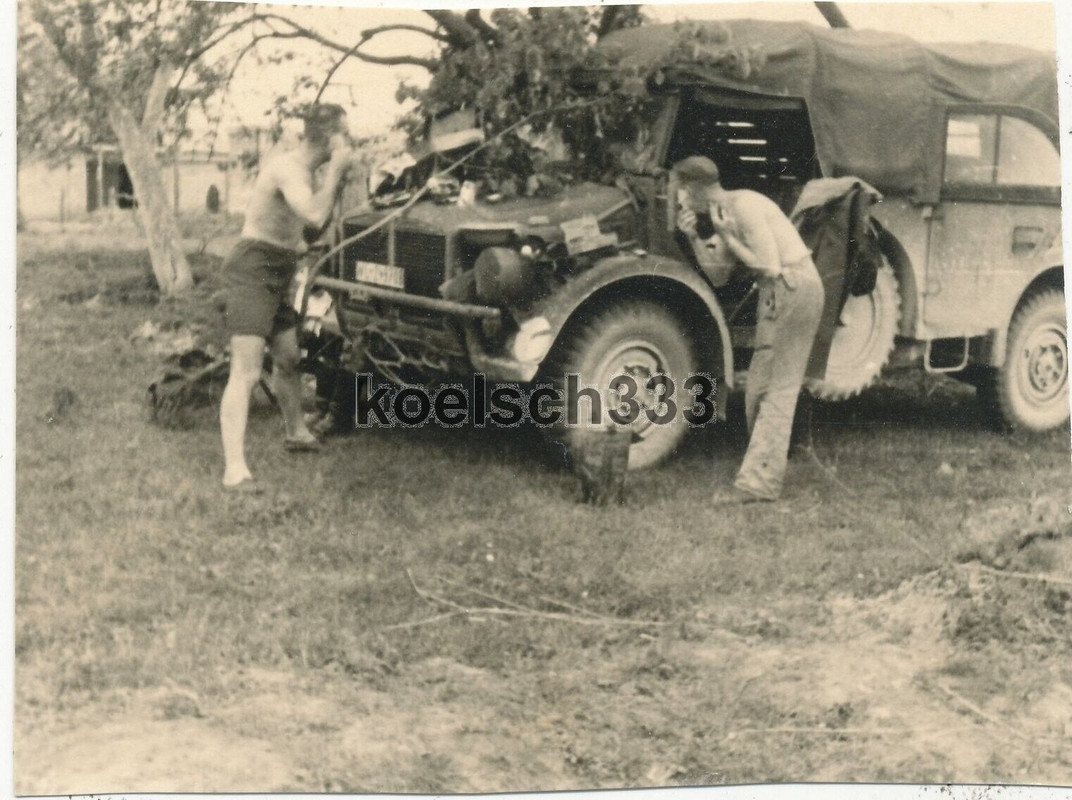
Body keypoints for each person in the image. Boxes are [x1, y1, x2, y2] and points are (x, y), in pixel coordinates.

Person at [672, 155, 825, 503]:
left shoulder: (744, 206)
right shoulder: (721, 212)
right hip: (778, 295)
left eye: (680, 190)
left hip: (795, 288)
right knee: (757, 389)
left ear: (694, 189)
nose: (679, 199)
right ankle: (769, 464)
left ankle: (758, 484)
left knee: (776, 390)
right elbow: (719, 275)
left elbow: (770, 266)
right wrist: (696, 236)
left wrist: (727, 235)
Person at [219, 104, 354, 491]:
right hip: (254, 266)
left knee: (289, 359)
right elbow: (312, 213)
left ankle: (297, 433)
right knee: (245, 370)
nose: (348, 142)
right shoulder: (288, 168)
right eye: (345, 134)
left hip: (280, 267)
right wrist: (336, 174)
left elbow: (309, 232)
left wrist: (335, 184)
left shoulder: (308, 174)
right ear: (330, 138)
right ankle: (235, 471)